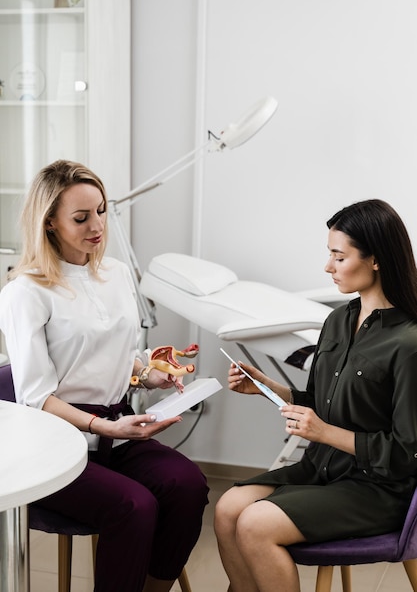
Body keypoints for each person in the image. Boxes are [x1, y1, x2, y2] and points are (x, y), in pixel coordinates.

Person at [0, 159, 209, 592]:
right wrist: (104, 426)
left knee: (189, 486)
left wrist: (147, 375)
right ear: (50, 224)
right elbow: (36, 398)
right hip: (55, 443)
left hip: (116, 428)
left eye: (101, 210)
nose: (97, 225)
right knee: (134, 507)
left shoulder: (113, 273)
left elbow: (118, 353)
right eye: (81, 217)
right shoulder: (25, 293)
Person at [214, 199, 417, 592]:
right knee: (226, 510)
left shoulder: (408, 343)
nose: (328, 267)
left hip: (375, 488)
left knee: (255, 524)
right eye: (330, 254)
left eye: (339, 257)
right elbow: (325, 403)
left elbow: (408, 452)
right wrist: (270, 390)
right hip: (321, 467)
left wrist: (324, 433)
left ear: (375, 260)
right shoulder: (338, 320)